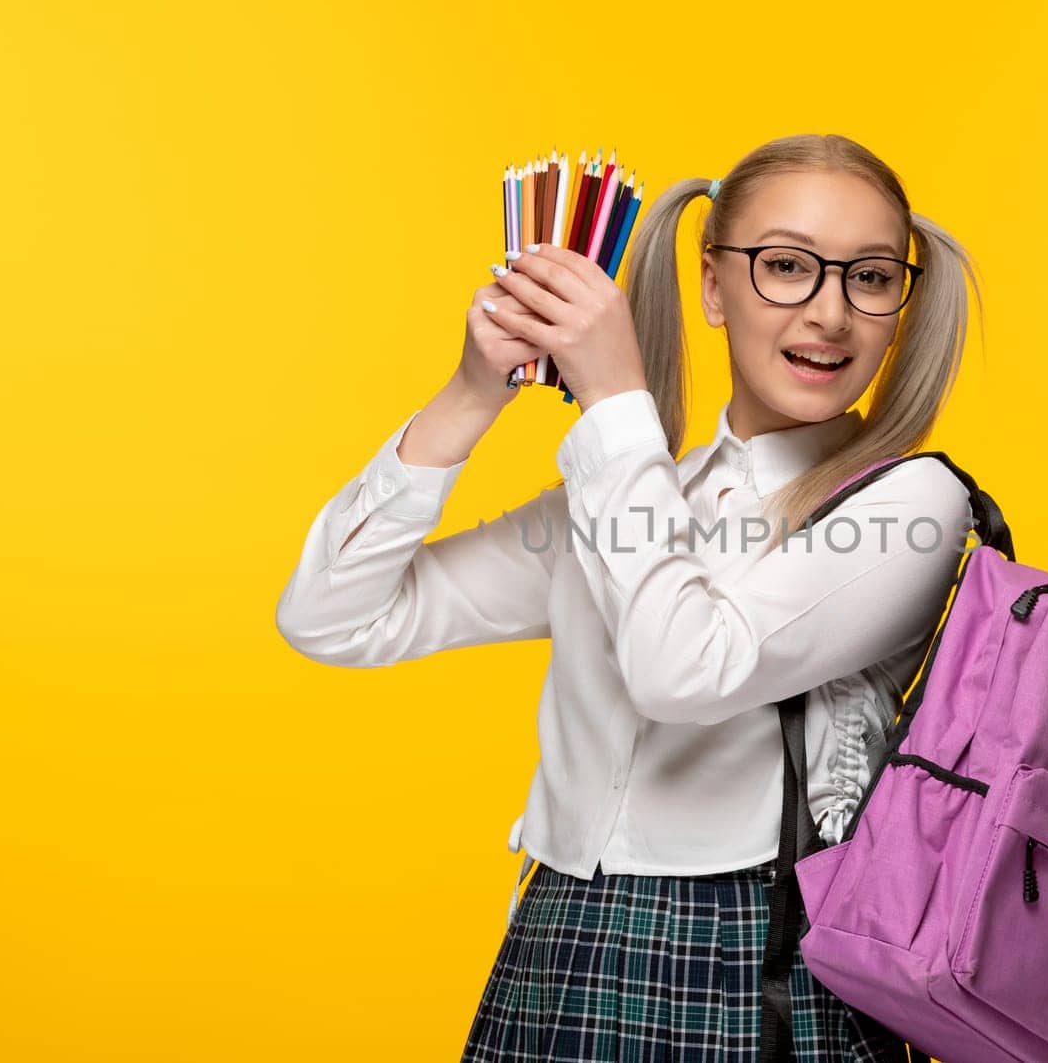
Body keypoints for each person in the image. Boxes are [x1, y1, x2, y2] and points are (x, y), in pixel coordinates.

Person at [275, 133, 985, 1061]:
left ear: (901, 304)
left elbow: (681, 671)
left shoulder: (909, 504)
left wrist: (616, 402)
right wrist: (470, 393)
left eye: (870, 278)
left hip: (757, 960)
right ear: (711, 287)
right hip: (558, 938)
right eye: (784, 267)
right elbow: (333, 614)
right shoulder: (636, 493)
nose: (829, 313)